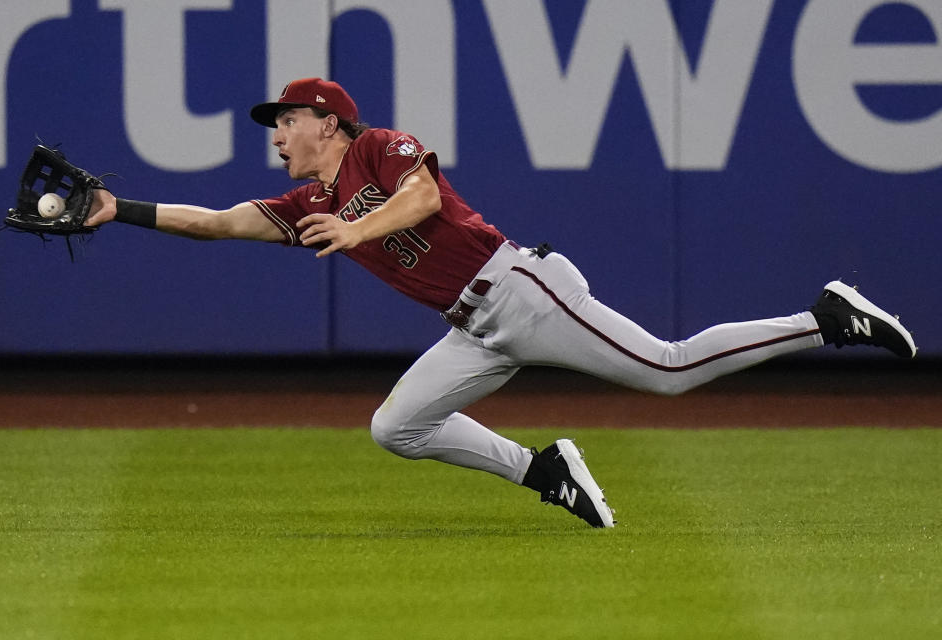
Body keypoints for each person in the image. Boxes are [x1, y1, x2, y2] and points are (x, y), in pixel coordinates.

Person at [86, 78, 917, 529]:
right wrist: (114, 211)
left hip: (522, 291)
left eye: (286, 120)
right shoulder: (306, 206)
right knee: (395, 427)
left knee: (666, 370)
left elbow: (420, 200)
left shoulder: (375, 149)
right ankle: (543, 469)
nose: (275, 133)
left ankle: (824, 317)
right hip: (475, 329)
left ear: (326, 124)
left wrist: (356, 225)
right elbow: (217, 222)